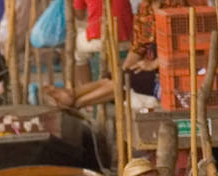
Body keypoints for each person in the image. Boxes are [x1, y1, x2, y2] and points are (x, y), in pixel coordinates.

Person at [44, 0, 189, 109]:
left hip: (174, 71)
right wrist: (123, 69)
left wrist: (155, 63)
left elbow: (188, 48)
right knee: (117, 76)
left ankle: (75, 101)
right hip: (152, 66)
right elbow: (138, 47)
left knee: (124, 81)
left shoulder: (179, 6)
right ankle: (73, 96)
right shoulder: (146, 8)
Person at [72, 0, 133, 85]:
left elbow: (80, 16)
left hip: (99, 40)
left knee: (78, 53)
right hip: (127, 39)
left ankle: (85, 86)